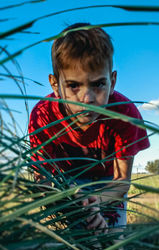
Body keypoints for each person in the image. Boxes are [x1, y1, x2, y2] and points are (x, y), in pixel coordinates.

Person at [28, 22, 150, 233]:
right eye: (73, 85)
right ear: (55, 85)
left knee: (112, 240)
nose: (87, 99)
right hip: (67, 183)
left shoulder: (124, 114)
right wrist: (74, 202)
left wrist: (97, 201)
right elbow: (43, 181)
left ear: (112, 81)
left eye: (98, 84)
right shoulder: (42, 116)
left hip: (109, 182)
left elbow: (122, 181)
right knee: (77, 243)